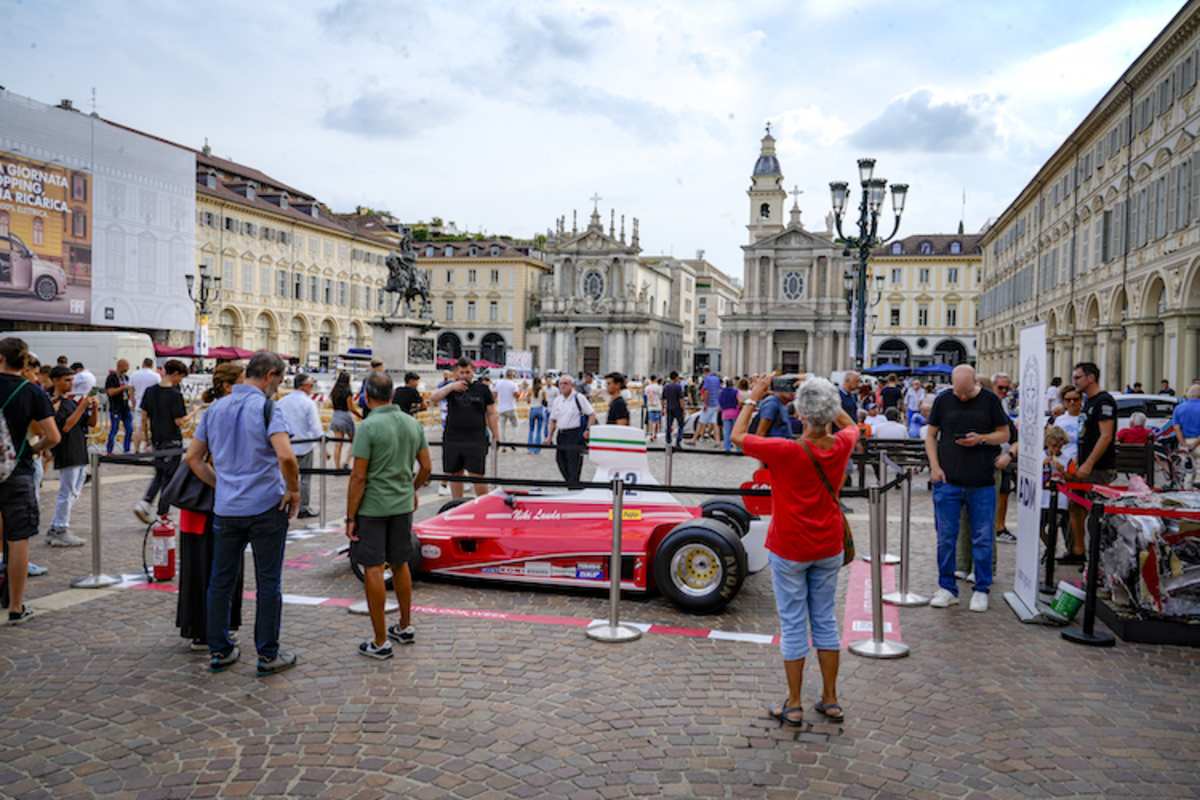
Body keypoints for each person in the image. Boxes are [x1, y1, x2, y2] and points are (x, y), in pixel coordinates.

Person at [732, 375, 856, 726]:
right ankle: (830, 699)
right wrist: (822, 389)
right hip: (828, 544)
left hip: (790, 546)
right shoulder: (843, 443)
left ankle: (795, 702)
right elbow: (851, 424)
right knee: (825, 620)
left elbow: (738, 436)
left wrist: (753, 397)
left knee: (792, 623)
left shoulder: (784, 450)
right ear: (830, 411)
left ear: (799, 414)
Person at [187, 351, 300, 676]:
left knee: (220, 579)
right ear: (270, 376)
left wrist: (220, 484)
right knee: (268, 581)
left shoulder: (215, 408)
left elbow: (193, 458)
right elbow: (287, 457)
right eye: (278, 381)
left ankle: (220, 649)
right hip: (266, 506)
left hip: (227, 508)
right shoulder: (267, 408)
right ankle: (267, 654)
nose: (277, 388)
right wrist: (293, 490)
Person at [345, 372, 432, 659]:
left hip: (372, 507)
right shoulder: (411, 423)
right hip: (401, 505)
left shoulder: (368, 427)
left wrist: (349, 516)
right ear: (392, 395)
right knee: (400, 563)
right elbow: (427, 467)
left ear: (367, 397)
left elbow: (358, 477)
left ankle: (380, 640)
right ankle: (405, 626)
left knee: (372, 567)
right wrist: (411, 488)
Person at [924, 364, 1010, 612]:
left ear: (975, 382)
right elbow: (931, 435)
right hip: (948, 480)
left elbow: (1004, 434)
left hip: (981, 481)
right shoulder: (943, 400)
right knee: (945, 538)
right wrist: (935, 466)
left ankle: (981, 588)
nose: (961, 397)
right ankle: (947, 588)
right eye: (957, 392)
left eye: (965, 393)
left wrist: (981, 438)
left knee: (982, 537)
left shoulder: (990, 400)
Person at [175, 364, 245, 653]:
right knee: (215, 565)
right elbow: (198, 457)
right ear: (229, 387)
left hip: (203, 502)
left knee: (203, 565)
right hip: (209, 501)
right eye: (242, 383)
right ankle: (210, 628)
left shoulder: (215, 411)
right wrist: (223, 485)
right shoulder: (224, 414)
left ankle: (205, 627)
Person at [0, 338, 60, 624]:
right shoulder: (31, 391)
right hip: (18, 471)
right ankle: (16, 605)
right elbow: (53, 436)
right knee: (18, 537)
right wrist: (31, 450)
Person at [1064, 361, 1117, 564]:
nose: (1074, 381)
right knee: (1075, 506)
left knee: (1094, 512)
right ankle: (1078, 551)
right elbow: (1084, 435)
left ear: (1091, 378)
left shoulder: (1104, 401)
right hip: (1084, 464)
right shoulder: (1088, 401)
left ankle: (1095, 558)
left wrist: (1089, 463)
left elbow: (1105, 436)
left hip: (1099, 467)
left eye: (1077, 377)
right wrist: (1079, 460)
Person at [429, 358, 499, 499]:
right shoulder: (450, 388)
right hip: (453, 438)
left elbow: (491, 413)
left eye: (468, 372)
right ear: (456, 373)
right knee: (455, 473)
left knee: (477, 475)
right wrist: (451, 387)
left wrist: (496, 435)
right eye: (462, 372)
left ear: (473, 372)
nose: (465, 375)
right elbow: (433, 398)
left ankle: (483, 506)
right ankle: (457, 504)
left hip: (475, 439)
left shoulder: (482, 389)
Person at [132, 360, 189, 524]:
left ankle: (146, 502)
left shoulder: (150, 391)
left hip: (157, 438)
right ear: (176, 374)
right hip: (173, 440)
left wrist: (147, 438)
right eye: (181, 377)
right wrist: (193, 413)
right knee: (169, 478)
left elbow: (144, 416)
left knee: (159, 474)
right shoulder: (175, 395)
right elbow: (179, 421)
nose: (180, 381)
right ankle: (162, 513)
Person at [46, 366, 97, 547]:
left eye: (71, 379)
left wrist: (93, 408)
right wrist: (82, 406)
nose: (71, 383)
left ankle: (57, 526)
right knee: (66, 492)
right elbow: (65, 426)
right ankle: (60, 528)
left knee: (74, 491)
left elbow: (90, 423)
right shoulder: (54, 402)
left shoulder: (71, 401)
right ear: (55, 381)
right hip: (67, 450)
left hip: (79, 449)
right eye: (66, 380)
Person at [278, 374, 323, 519]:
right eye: (310, 385)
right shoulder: (308, 403)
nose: (311, 388)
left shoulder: (282, 402)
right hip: (304, 444)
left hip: (286, 444)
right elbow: (315, 426)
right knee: (305, 477)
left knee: (285, 476)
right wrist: (322, 442)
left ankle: (283, 505)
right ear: (303, 386)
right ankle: (303, 507)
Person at [547, 375, 596, 487]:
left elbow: (592, 414)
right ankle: (572, 484)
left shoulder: (579, 398)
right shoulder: (558, 400)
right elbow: (553, 420)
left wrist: (588, 430)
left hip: (575, 435)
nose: (562, 386)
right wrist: (549, 436)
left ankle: (573, 486)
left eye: (565, 383)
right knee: (560, 461)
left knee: (573, 464)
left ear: (572, 385)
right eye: (560, 384)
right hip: (561, 435)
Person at [329, 372, 360, 470]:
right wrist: (360, 415)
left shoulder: (334, 391)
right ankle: (346, 462)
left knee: (338, 444)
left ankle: (337, 467)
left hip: (335, 416)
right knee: (355, 441)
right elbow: (351, 407)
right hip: (345, 417)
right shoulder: (348, 392)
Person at [130, 357, 162, 453]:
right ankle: (152, 447)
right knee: (153, 427)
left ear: (142, 364)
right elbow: (159, 390)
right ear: (152, 365)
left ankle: (136, 449)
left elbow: (131, 390)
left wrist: (133, 402)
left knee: (138, 428)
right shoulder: (156, 376)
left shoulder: (134, 374)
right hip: (153, 404)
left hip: (139, 403)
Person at [105, 358, 135, 454]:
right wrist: (123, 388)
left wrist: (131, 398)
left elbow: (129, 391)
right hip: (115, 408)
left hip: (125, 408)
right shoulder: (111, 377)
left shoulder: (126, 377)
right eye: (126, 367)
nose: (127, 369)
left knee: (129, 429)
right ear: (120, 366)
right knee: (114, 429)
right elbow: (110, 392)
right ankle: (109, 450)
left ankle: (127, 449)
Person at [691, 367, 722, 446]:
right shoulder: (717, 379)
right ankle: (717, 441)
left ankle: (694, 440)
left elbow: (706, 391)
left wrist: (705, 404)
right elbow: (719, 391)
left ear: (704, 372)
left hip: (709, 404)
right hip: (716, 404)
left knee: (700, 422)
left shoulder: (707, 379)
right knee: (715, 424)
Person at [493, 369, 520, 452]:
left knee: (502, 428)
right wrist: (520, 393)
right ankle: (512, 441)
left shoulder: (498, 383)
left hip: (501, 408)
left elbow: (494, 395)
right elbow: (516, 395)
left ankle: (503, 446)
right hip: (511, 408)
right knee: (515, 426)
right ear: (511, 375)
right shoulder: (513, 384)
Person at [662, 372, 686, 446]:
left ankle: (668, 439)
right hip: (678, 408)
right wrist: (684, 409)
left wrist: (663, 408)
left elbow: (663, 399)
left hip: (669, 408)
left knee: (669, 425)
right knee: (681, 425)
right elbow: (681, 399)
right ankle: (678, 440)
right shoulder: (678, 387)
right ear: (676, 377)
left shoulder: (666, 386)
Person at [719, 378, 741, 453]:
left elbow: (720, 402)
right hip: (735, 412)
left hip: (725, 413)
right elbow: (739, 401)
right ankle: (738, 448)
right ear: (733, 384)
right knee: (736, 432)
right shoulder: (736, 391)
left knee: (726, 431)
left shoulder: (722, 392)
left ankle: (727, 448)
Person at [527, 377, 548, 454]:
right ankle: (537, 449)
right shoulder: (543, 391)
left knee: (531, 430)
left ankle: (530, 448)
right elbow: (545, 402)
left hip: (533, 409)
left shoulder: (530, 390)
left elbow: (528, 401)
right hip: (540, 409)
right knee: (539, 430)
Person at [644, 375, 663, 440]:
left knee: (651, 420)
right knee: (656, 421)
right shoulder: (659, 387)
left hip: (650, 406)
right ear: (655, 379)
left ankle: (652, 433)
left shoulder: (647, 387)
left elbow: (646, 396)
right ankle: (654, 434)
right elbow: (661, 396)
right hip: (658, 406)